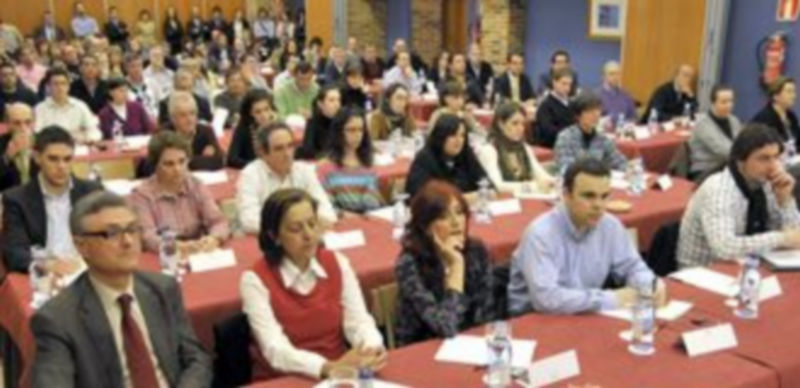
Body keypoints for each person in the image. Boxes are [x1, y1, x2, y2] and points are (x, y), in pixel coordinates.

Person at [30, 191, 212, 387]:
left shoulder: (163, 289)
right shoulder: (58, 318)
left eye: (132, 229)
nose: (128, 241)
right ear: (81, 246)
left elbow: (196, 359)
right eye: (112, 233)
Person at [240, 188, 385, 379]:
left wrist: (369, 348)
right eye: (296, 229)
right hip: (286, 379)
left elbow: (358, 321)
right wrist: (326, 367)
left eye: (312, 224)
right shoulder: (255, 280)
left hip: (340, 373)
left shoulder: (337, 263)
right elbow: (275, 349)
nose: (308, 235)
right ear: (274, 236)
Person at [507, 157, 666, 315]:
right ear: (566, 195)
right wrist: (612, 299)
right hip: (533, 322)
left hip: (582, 313)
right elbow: (547, 299)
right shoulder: (540, 234)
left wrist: (650, 284)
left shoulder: (610, 226)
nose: (598, 205)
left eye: (604, 196)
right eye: (589, 196)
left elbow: (632, 267)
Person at [678, 124, 800, 268]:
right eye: (764, 158)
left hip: (749, 266)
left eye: (776, 157)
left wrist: (786, 201)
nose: (774, 166)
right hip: (703, 273)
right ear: (741, 160)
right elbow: (724, 248)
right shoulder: (718, 189)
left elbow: (795, 237)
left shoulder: (767, 182)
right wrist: (782, 239)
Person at [395, 180, 494, 345]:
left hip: (471, 346)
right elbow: (446, 327)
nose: (456, 222)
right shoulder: (409, 263)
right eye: (444, 216)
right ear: (425, 226)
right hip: (422, 350)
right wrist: (456, 267)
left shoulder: (477, 251)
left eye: (459, 212)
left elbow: (486, 315)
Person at [1, 126, 102, 273]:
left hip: (89, 270)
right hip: (44, 275)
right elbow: (14, 253)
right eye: (53, 159)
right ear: (37, 157)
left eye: (67, 159)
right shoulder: (16, 199)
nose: (61, 166)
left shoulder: (92, 192)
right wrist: (46, 266)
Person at [130, 132, 230, 253]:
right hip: (164, 257)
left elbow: (218, 221)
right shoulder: (142, 195)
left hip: (199, 252)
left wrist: (214, 238)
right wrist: (176, 247)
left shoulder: (196, 185)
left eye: (182, 161)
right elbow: (147, 237)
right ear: (155, 165)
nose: (177, 169)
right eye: (169, 164)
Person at [236, 122, 337, 233]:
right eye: (279, 149)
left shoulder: (304, 170)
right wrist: (292, 227)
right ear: (263, 153)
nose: (287, 154)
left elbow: (327, 211)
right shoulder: (250, 175)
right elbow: (249, 220)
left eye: (290, 146)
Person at [406, 114, 488, 200]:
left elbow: (485, 183)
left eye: (462, 135)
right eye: (453, 135)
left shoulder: (466, 153)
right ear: (441, 137)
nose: (459, 140)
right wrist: (463, 199)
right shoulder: (425, 158)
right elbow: (420, 197)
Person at [478, 102, 553, 196]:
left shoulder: (524, 147)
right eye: (515, 123)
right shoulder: (489, 150)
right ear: (501, 124)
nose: (520, 128)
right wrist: (532, 186)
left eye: (522, 124)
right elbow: (497, 185)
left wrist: (553, 182)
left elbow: (540, 174)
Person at [317, 107, 383, 213]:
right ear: (339, 132)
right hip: (340, 222)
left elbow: (373, 201)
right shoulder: (324, 167)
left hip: (367, 217)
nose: (358, 135)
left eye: (361, 130)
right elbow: (326, 206)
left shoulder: (369, 162)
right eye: (351, 130)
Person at [554, 92, 627, 172]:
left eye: (598, 110)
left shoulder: (602, 139)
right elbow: (566, 168)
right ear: (578, 115)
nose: (596, 115)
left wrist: (627, 169)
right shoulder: (565, 137)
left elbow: (620, 162)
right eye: (589, 111)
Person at [158, 91, 224, 173]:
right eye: (183, 115)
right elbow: (162, 165)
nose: (189, 119)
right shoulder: (164, 133)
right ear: (173, 118)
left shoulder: (206, 131)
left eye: (192, 113)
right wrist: (202, 158)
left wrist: (185, 161)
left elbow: (219, 161)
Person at [688, 85, 742, 179]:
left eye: (731, 101)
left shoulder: (734, 120)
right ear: (713, 103)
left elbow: (741, 143)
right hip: (705, 170)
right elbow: (723, 150)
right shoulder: (703, 124)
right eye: (724, 102)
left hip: (727, 168)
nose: (729, 105)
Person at [35, 68, 101, 143]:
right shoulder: (40, 109)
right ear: (48, 87)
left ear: (68, 86)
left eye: (63, 83)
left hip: (79, 148)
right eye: (56, 84)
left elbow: (94, 131)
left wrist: (88, 138)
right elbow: (38, 135)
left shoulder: (80, 106)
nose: (60, 87)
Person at [227, 89, 276, 169]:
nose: (264, 115)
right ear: (250, 113)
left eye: (267, 109)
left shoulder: (277, 127)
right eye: (258, 112)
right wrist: (259, 166)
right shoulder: (243, 129)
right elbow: (232, 159)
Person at [752, 76, 799, 149]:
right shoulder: (764, 119)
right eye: (789, 92)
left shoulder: (791, 117)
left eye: (794, 91)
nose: (794, 96)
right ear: (775, 96)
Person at [296, 85, 342, 160]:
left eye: (339, 100)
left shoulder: (343, 122)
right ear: (320, 104)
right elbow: (308, 151)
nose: (337, 104)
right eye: (331, 100)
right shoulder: (313, 123)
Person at [534, 68, 575, 148]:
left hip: (571, 144)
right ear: (554, 83)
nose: (567, 88)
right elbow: (548, 132)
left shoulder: (571, 104)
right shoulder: (545, 106)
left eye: (569, 84)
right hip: (554, 146)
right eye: (564, 84)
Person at [0, 103, 37, 192]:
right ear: (7, 124)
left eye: (28, 122)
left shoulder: (43, 142)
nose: (23, 128)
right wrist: (7, 157)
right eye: (17, 123)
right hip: (8, 198)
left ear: (34, 122)